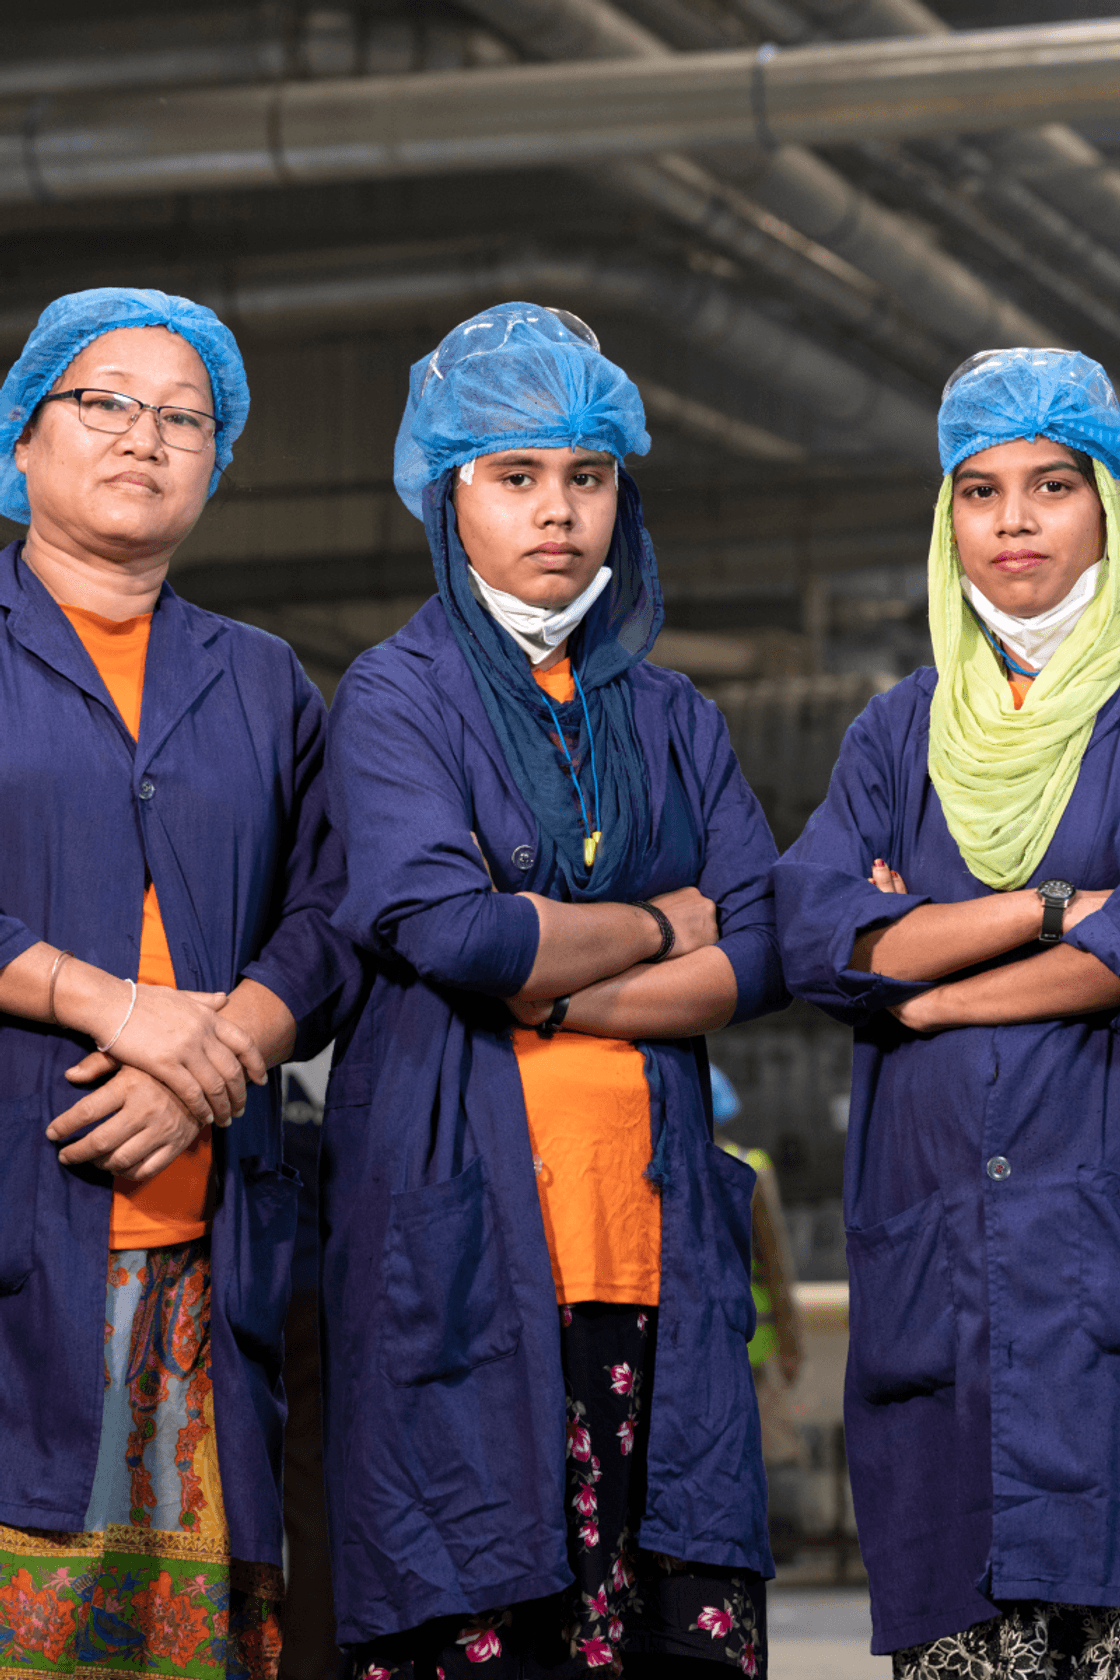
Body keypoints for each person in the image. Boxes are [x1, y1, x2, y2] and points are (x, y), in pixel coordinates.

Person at [320, 302, 788, 1679]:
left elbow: (760, 945)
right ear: (447, 493)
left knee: (666, 1626)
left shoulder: (672, 717)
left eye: (586, 477)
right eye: (514, 477)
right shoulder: (395, 699)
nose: (557, 512)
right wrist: (659, 919)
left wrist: (558, 981)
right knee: (481, 1609)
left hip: (652, 1263)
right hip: (469, 1253)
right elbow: (454, 935)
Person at [0, 289, 356, 1680]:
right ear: (23, 439)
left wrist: (230, 1045)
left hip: (217, 1265)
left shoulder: (263, 681)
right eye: (105, 402)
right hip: (30, 1245)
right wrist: (111, 1003)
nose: (144, 435)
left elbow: (335, 912)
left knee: (209, 1645)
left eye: (184, 416)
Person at [773, 347, 1120, 1676]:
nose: (1015, 522)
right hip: (941, 1295)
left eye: (1053, 487)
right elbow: (813, 935)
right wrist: (1047, 912)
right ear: (947, 520)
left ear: (1109, 509)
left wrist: (924, 987)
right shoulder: (894, 736)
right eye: (979, 493)